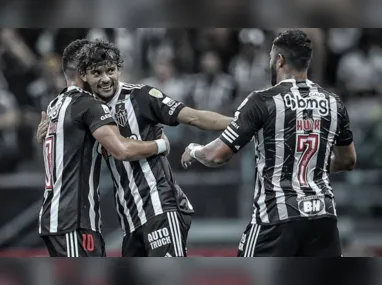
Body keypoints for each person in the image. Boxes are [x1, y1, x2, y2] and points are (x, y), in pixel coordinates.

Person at [181, 29, 357, 257]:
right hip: (323, 219)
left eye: (271, 58)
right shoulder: (334, 103)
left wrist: (194, 151)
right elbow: (348, 160)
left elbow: (217, 155)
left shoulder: (262, 100)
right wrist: (315, 163)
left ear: (280, 59)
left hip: (275, 220)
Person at [75, 40, 232, 257]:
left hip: (160, 208)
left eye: (110, 70)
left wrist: (241, 123)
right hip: (130, 220)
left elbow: (194, 117)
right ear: (84, 75)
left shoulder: (141, 96)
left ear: (119, 69)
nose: (105, 79)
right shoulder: (85, 111)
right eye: (97, 73)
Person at [38, 39, 171, 257]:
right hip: (73, 219)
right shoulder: (88, 105)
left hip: (58, 216)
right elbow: (122, 150)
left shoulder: (55, 104)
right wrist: (161, 145)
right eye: (95, 68)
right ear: (83, 72)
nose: (103, 77)